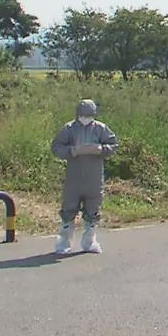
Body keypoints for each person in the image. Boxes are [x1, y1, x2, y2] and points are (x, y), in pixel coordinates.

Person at [50, 99, 119, 254]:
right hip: (74, 177)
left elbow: (114, 145)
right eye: (83, 115)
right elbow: (56, 147)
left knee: (93, 210)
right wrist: (72, 151)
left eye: (89, 115)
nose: (85, 118)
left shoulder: (101, 128)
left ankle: (89, 243)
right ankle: (64, 244)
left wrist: (101, 149)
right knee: (68, 210)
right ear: (78, 114)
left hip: (94, 178)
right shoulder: (69, 129)